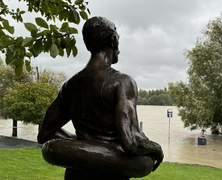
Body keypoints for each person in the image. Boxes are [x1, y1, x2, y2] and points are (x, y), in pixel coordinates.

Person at [37, 16, 163, 180]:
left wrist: (83, 144)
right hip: (110, 175)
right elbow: (130, 141)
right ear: (113, 40)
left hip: (76, 175)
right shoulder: (122, 82)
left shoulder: (70, 86)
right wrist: (156, 148)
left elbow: (45, 132)